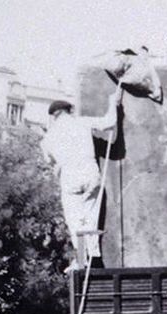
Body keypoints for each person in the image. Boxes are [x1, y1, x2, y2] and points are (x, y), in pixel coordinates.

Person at [41, 89, 124, 270]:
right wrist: (113, 103)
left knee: (75, 221)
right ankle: (92, 255)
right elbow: (110, 122)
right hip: (89, 173)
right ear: (69, 111)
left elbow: (49, 161)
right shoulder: (81, 122)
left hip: (70, 177)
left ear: (53, 116)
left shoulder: (48, 136)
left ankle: (81, 259)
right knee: (89, 218)